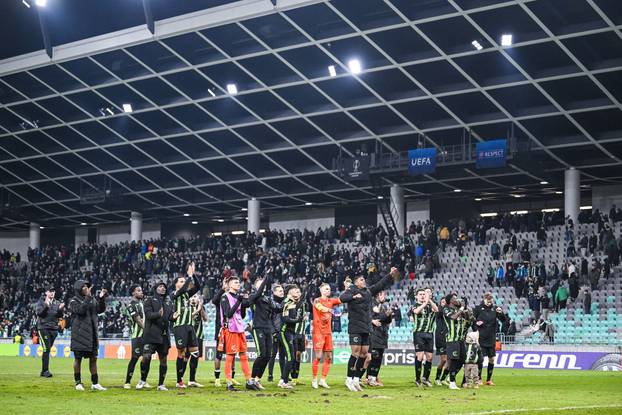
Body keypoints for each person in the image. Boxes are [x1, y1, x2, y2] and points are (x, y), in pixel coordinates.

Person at [339, 267, 400, 392]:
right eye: (361, 280)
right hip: (355, 326)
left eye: (364, 279)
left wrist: (390, 275)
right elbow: (342, 298)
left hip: (366, 327)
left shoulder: (367, 291)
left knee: (364, 353)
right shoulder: (351, 290)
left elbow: (379, 285)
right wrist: (352, 296)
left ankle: (356, 379)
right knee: (355, 352)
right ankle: (349, 379)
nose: (364, 281)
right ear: (356, 282)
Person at [219, 275, 258, 391]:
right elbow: (228, 314)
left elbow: (241, 315)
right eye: (235, 282)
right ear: (230, 284)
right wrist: (240, 301)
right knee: (230, 356)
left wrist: (245, 303)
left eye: (238, 282)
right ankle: (229, 383)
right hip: (230, 329)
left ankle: (249, 381)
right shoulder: (224, 297)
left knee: (243, 354)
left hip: (240, 329)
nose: (238, 284)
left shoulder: (238, 296)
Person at [69, 280, 107, 391]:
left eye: (87, 286)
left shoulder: (92, 299)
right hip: (80, 335)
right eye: (84, 287)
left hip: (92, 334)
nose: (87, 288)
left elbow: (100, 310)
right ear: (79, 289)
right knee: (78, 359)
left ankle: (95, 383)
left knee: (93, 359)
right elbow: (81, 310)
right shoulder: (73, 301)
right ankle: (78, 383)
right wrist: (88, 298)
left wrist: (101, 298)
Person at [139, 281, 175, 391]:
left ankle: (161, 384)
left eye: (164, 287)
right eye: (160, 286)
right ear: (156, 288)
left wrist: (174, 317)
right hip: (151, 334)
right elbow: (148, 315)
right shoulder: (149, 300)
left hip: (164, 336)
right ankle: (142, 380)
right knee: (146, 357)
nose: (163, 288)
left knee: (163, 360)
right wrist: (158, 314)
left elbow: (169, 317)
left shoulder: (169, 302)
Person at [171, 262, 200, 389]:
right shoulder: (174, 295)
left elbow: (198, 286)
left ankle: (192, 380)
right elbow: (183, 289)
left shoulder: (186, 295)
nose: (184, 283)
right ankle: (179, 380)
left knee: (195, 353)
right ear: (176, 284)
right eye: (181, 281)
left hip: (189, 326)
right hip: (180, 326)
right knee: (181, 354)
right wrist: (188, 277)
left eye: (184, 281)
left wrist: (193, 275)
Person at [311, 283, 341, 389]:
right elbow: (320, 308)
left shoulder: (331, 301)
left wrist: (348, 288)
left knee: (329, 357)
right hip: (318, 332)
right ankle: (314, 379)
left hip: (328, 332)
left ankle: (322, 380)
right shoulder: (317, 300)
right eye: (326, 289)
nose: (328, 290)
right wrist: (331, 310)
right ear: (321, 290)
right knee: (318, 356)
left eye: (329, 289)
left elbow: (342, 299)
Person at [472, 292, 506, 386]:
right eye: (488, 300)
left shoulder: (495, 309)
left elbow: (504, 320)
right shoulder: (478, 308)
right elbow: (472, 320)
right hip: (481, 337)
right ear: (484, 299)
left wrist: (501, 313)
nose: (489, 302)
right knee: (481, 359)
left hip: (491, 337)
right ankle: (479, 378)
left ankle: (489, 379)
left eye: (491, 300)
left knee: (492, 359)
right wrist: (476, 324)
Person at [246, 275, 272, 389]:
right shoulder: (253, 297)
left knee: (267, 356)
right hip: (258, 328)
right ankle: (250, 381)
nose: (263, 286)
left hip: (268, 328)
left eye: (264, 284)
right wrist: (266, 278)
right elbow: (259, 292)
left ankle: (257, 379)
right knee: (261, 354)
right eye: (260, 284)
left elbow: (276, 308)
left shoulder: (267, 299)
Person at [443, 294, 473, 390]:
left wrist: (465, 308)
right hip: (452, 339)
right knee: (454, 360)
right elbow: (453, 317)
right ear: (451, 301)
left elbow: (468, 320)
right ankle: (452, 382)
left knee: (462, 360)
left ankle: (451, 377)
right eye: (455, 298)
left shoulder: (459, 310)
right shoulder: (446, 309)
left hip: (460, 339)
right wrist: (461, 308)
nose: (457, 300)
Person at [409, 288, 438, 387]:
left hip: (429, 334)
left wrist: (429, 300)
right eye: (420, 294)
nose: (422, 296)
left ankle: (425, 378)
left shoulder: (430, 306)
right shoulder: (414, 305)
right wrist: (425, 303)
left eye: (423, 294)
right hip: (419, 333)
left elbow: (437, 310)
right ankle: (417, 379)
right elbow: (416, 312)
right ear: (416, 296)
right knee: (420, 356)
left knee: (429, 357)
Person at [279, 285, 305, 389]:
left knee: (292, 357)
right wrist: (298, 320)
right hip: (285, 332)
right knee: (290, 357)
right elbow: (285, 319)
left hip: (291, 333)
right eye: (295, 290)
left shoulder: (292, 303)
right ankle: (283, 381)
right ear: (289, 292)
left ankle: (283, 380)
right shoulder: (286, 303)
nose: (297, 292)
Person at [35, 284, 64, 378]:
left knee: (47, 349)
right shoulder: (41, 302)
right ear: (46, 292)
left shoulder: (57, 302)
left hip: (54, 329)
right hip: (43, 328)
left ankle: (43, 371)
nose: (52, 292)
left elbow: (59, 316)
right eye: (50, 291)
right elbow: (40, 314)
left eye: (53, 291)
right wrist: (46, 306)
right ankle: (45, 371)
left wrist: (60, 310)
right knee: (46, 349)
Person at [211, 278, 236, 387]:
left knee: (232, 354)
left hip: (232, 329)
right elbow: (214, 300)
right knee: (219, 354)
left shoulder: (233, 297)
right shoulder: (222, 298)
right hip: (221, 329)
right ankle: (217, 379)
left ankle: (232, 378)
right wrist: (222, 289)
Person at [367, 290, 393, 387]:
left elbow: (388, 321)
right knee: (374, 357)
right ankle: (368, 378)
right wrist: (386, 314)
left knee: (378, 359)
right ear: (378, 295)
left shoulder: (384, 306)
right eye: (383, 294)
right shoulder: (372, 305)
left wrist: (389, 314)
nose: (385, 296)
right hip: (375, 334)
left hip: (383, 334)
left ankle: (373, 378)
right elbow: (377, 318)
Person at [123, 285, 145, 389]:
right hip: (137, 335)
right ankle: (127, 381)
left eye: (141, 290)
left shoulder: (143, 304)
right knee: (135, 358)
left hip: (145, 335)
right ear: (133, 293)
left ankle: (143, 380)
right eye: (138, 290)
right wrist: (148, 330)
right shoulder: (131, 305)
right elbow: (138, 320)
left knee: (145, 358)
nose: (141, 292)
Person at [188, 293, 207, 388]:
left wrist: (201, 308)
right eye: (192, 296)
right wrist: (197, 310)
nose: (193, 298)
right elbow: (188, 317)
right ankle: (180, 380)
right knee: (185, 357)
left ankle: (192, 380)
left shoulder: (201, 308)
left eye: (195, 296)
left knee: (195, 357)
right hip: (188, 336)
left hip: (198, 336)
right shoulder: (187, 307)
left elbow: (205, 318)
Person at [267, 284, 285, 383]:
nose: (282, 292)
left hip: (283, 331)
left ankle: (283, 375)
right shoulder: (271, 303)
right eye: (279, 291)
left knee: (283, 355)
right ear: (274, 292)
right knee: (272, 355)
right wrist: (273, 331)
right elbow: (269, 319)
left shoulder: (284, 302)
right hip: (274, 332)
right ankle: (270, 375)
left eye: (282, 290)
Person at [434, 297, 449, 385]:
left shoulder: (449, 313)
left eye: (445, 301)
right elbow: (440, 312)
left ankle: (443, 379)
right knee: (443, 360)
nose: (443, 303)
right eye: (442, 301)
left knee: (450, 361)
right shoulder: (438, 312)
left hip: (449, 338)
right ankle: (437, 378)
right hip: (440, 337)